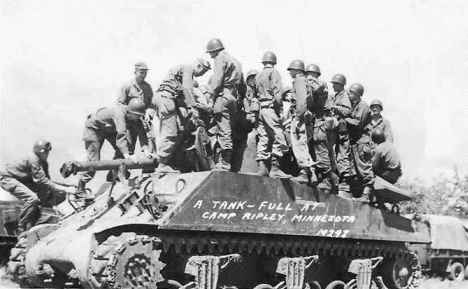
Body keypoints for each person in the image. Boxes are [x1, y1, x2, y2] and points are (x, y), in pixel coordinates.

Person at [0, 140, 76, 234]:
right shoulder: (34, 159)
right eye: (46, 152)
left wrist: (65, 188)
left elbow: (46, 182)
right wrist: (65, 188)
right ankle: (21, 228)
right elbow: (41, 180)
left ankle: (39, 216)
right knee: (32, 198)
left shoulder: (43, 162)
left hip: (23, 179)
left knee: (55, 193)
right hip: (8, 178)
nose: (48, 154)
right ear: (41, 152)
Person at [76, 98, 151, 193]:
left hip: (108, 129)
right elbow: (121, 135)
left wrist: (146, 150)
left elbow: (142, 132)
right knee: (94, 160)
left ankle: (113, 179)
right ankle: (80, 189)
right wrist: (127, 155)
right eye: (137, 115)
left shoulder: (134, 117)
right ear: (130, 112)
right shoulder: (120, 114)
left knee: (125, 151)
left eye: (140, 116)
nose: (138, 118)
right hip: (94, 128)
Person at [152, 58, 211, 173]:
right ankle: (162, 165)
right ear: (198, 66)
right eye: (202, 72)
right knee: (171, 132)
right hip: (166, 100)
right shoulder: (188, 68)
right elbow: (187, 88)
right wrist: (192, 107)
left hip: (164, 99)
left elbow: (178, 91)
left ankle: (167, 161)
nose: (200, 75)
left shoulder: (180, 70)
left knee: (173, 130)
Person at [205, 38, 246, 171]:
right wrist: (239, 101)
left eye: (210, 53)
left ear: (214, 51)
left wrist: (211, 98)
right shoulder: (237, 62)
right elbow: (242, 85)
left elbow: (217, 81)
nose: (210, 57)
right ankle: (230, 162)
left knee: (224, 130)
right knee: (229, 130)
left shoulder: (219, 59)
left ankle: (224, 163)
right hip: (233, 98)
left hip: (222, 97)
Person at [255, 52, 291, 178]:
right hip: (270, 109)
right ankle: (275, 168)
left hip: (260, 109)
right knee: (279, 135)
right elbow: (277, 95)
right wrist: (279, 110)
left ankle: (262, 168)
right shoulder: (274, 73)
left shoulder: (258, 75)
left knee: (263, 138)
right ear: (274, 62)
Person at [305, 64, 337, 190]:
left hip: (321, 121)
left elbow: (317, 88)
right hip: (316, 121)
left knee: (321, 150)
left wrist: (309, 82)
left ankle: (328, 180)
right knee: (316, 150)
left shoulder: (320, 84)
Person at [287, 60, 317, 185]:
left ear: (297, 70)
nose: (289, 72)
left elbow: (302, 100)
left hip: (301, 118)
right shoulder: (306, 81)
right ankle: (312, 173)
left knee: (299, 145)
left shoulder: (299, 80)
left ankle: (304, 174)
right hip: (307, 118)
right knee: (304, 146)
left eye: (291, 70)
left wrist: (298, 116)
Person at [344, 83, 374, 202]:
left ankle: (367, 194)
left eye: (351, 93)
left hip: (362, 143)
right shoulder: (354, 106)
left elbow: (357, 123)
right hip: (356, 142)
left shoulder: (363, 106)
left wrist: (344, 118)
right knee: (355, 169)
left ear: (357, 94)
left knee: (364, 168)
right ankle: (359, 194)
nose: (349, 95)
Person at [117, 62, 156, 153]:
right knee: (129, 145)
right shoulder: (127, 86)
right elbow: (120, 104)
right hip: (130, 121)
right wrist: (131, 113)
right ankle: (121, 165)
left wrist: (149, 114)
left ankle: (149, 165)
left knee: (150, 141)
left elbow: (151, 105)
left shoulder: (147, 87)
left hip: (143, 119)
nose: (143, 75)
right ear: (135, 72)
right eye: (141, 73)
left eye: (145, 73)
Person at [328, 74, 354, 195]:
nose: (333, 85)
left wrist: (336, 108)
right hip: (335, 129)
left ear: (340, 84)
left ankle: (345, 181)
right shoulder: (336, 96)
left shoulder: (344, 96)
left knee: (343, 155)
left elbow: (347, 111)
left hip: (342, 130)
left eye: (335, 83)